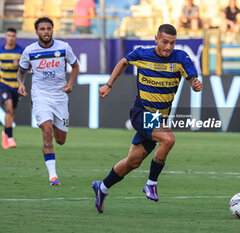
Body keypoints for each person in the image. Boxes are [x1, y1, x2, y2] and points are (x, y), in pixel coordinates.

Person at [92, 24, 203, 214]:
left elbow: (192, 79)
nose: (168, 47)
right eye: (165, 42)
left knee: (133, 162)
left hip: (159, 118)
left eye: (172, 43)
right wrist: (108, 85)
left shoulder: (181, 58)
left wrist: (195, 84)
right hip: (141, 112)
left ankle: (101, 188)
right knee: (169, 140)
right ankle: (151, 183)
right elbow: (123, 62)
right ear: (156, 39)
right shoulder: (142, 54)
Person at [17, 17, 80, 186]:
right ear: (37, 31)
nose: (46, 32)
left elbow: (75, 66)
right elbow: (21, 71)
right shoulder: (30, 51)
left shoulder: (64, 47)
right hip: (40, 96)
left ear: (53, 30)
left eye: (49, 28)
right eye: (42, 29)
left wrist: (70, 83)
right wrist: (21, 84)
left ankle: (51, 123)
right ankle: (53, 176)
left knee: (60, 140)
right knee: (46, 130)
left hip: (60, 97)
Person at [0, 28, 24, 149]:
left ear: (16, 37)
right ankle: (10, 138)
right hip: (4, 84)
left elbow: (28, 68)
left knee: (11, 113)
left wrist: (19, 65)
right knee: (8, 109)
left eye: (13, 36)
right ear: (6, 36)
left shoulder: (21, 51)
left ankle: (5, 134)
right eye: (8, 35)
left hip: (16, 86)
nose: (10, 38)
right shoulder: (0, 50)